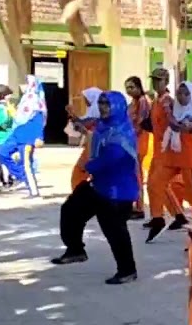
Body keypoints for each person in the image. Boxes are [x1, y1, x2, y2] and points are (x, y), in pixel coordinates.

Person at [50, 91, 139, 285]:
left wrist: (89, 166)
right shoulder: (103, 125)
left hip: (118, 191)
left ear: (117, 106)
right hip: (99, 185)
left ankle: (127, 270)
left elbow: (114, 157)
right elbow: (87, 127)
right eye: (101, 103)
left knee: (114, 230)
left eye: (107, 104)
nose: (103, 107)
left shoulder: (123, 131)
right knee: (71, 210)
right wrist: (76, 119)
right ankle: (76, 250)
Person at [145, 74, 192, 241]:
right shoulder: (170, 106)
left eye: (186, 94)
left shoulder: (191, 113)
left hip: (188, 157)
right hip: (170, 154)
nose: (182, 97)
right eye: (180, 93)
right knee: (155, 183)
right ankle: (157, 219)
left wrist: (170, 114)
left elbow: (179, 126)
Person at [0, 75, 47, 197]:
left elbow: (39, 122)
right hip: (16, 135)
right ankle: (22, 176)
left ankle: (33, 192)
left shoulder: (36, 102)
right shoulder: (24, 100)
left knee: (27, 165)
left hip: (27, 138)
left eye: (26, 82)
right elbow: (18, 118)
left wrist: (40, 137)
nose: (23, 85)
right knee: (1, 152)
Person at [126, 76, 153, 219]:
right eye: (127, 88)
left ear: (138, 87)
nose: (129, 90)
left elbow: (141, 123)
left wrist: (129, 134)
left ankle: (139, 207)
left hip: (139, 140)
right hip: (131, 141)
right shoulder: (134, 102)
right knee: (131, 173)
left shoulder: (143, 101)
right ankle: (132, 204)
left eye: (131, 87)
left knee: (137, 174)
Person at [68, 87, 104, 191]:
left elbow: (85, 124)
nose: (85, 101)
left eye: (86, 98)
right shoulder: (94, 109)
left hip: (94, 147)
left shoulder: (96, 109)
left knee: (82, 171)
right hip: (92, 145)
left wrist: (76, 120)